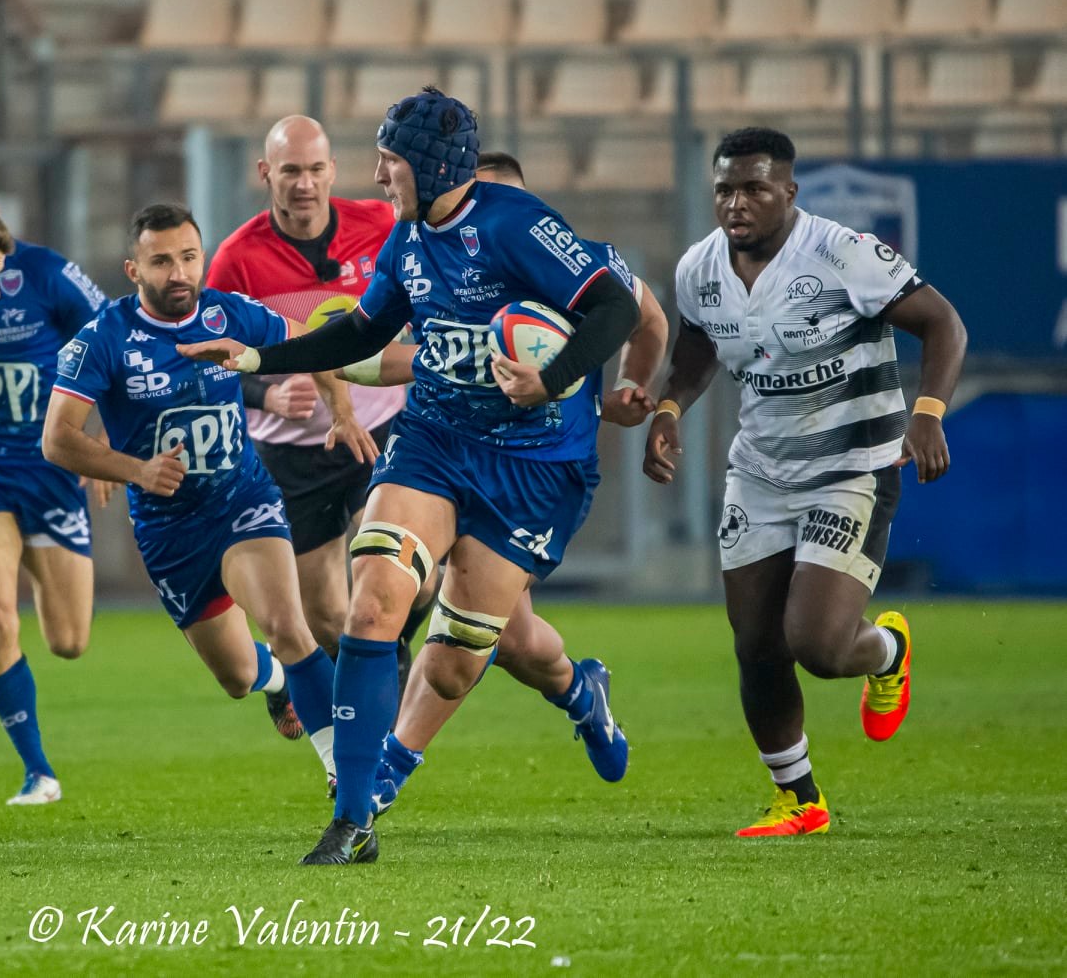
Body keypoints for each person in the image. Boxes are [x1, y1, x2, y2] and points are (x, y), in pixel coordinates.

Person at [181, 89, 645, 865]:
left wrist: (551, 377)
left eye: (389, 161)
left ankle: (578, 690)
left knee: (461, 663)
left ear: (430, 167)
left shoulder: (514, 225)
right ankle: (353, 819)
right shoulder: (405, 240)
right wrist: (257, 357)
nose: (376, 175)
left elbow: (616, 309)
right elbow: (361, 331)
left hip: (531, 466)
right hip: (433, 440)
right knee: (372, 604)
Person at [644, 127, 966, 836]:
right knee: (755, 645)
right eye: (725, 190)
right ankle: (799, 799)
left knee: (816, 646)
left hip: (852, 469)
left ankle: (888, 650)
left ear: (789, 192)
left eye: (754, 188)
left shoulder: (842, 254)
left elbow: (943, 323)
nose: (736, 203)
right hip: (760, 473)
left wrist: (928, 414)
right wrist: (668, 409)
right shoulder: (699, 267)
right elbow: (695, 346)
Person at [366, 151, 669, 817]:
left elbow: (647, 317)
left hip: (536, 476)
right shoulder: (431, 259)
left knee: (481, 645)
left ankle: (569, 697)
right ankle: (575, 695)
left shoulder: (578, 262)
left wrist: (630, 384)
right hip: (448, 453)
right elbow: (404, 356)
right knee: (483, 626)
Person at [42, 203, 378, 794]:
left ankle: (345, 778)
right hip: (170, 530)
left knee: (288, 625)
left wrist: (341, 410)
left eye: (189, 257)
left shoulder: (230, 314)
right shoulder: (103, 338)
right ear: (133, 269)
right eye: (161, 261)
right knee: (237, 675)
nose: (179, 273)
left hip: (241, 500)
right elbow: (57, 439)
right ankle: (276, 683)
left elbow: (317, 344)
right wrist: (136, 470)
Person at [206, 116, 428, 688]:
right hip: (291, 456)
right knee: (326, 617)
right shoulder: (237, 259)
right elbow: (210, 362)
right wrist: (268, 393)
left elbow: (428, 284)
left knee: (419, 579)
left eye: (313, 170)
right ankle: (349, 677)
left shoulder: (381, 225)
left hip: (379, 431)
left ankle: (385, 660)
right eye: (290, 171)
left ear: (332, 170)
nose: (303, 184)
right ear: (265, 173)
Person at [0, 159, 109, 806]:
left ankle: (27, 557)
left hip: (50, 471)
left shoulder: (45, 273)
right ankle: (38, 772)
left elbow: (110, 335)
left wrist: (101, 437)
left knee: (69, 641)